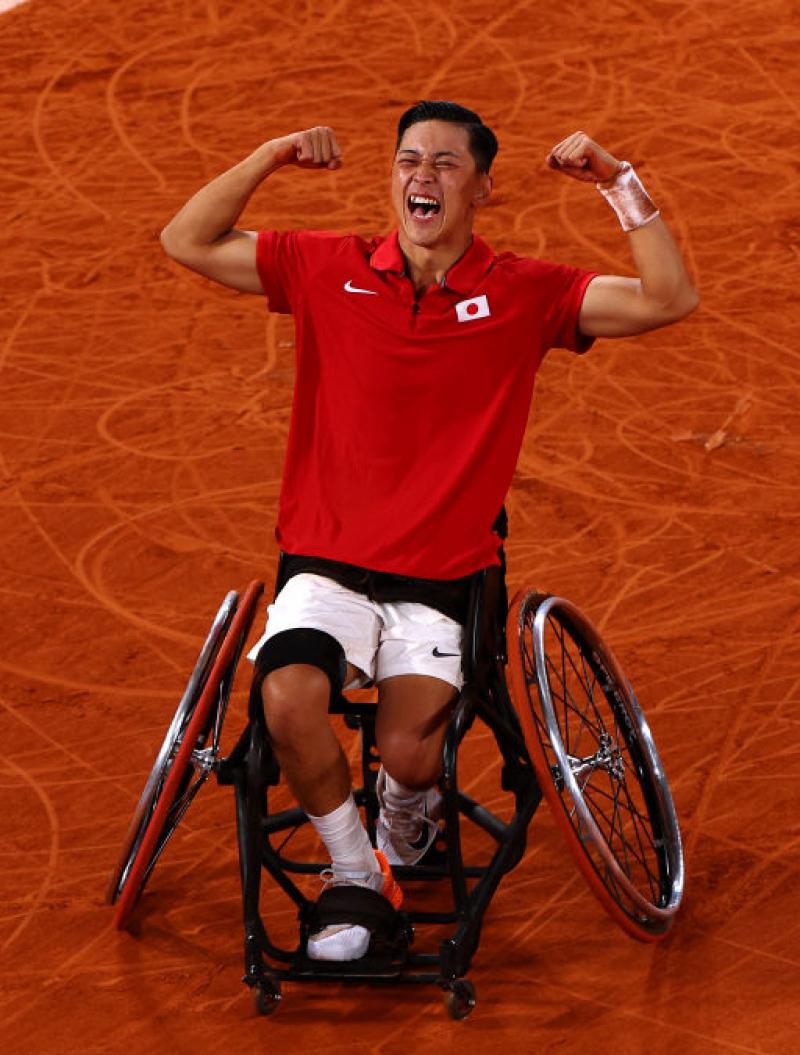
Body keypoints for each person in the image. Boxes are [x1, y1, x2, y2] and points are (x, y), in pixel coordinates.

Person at [160, 100, 698, 962]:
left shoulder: (525, 293)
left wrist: (620, 185)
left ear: (482, 187)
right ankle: (354, 875)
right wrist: (270, 152)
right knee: (286, 697)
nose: (424, 176)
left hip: (443, 575)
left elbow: (670, 298)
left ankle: (405, 816)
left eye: (448, 164)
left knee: (412, 757)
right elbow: (185, 239)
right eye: (411, 160)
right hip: (326, 564)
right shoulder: (321, 264)